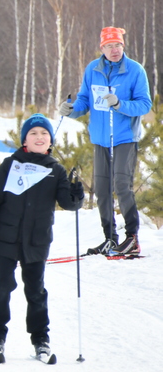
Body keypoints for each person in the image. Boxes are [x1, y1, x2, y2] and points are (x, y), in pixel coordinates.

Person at [0, 114, 85, 361]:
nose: (39, 137)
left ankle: (40, 340)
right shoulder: (10, 164)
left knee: (36, 291)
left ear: (50, 141)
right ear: (24, 139)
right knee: (2, 287)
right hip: (6, 237)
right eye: (33, 133)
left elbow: (68, 203)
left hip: (37, 241)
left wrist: (78, 196)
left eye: (44, 134)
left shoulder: (55, 170)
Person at [58, 26, 152, 256]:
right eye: (109, 46)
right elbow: (84, 100)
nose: (114, 50)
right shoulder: (93, 69)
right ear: (102, 48)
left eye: (118, 45)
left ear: (123, 46)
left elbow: (144, 104)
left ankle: (132, 238)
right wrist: (71, 110)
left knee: (122, 185)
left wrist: (120, 104)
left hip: (124, 138)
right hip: (100, 139)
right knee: (102, 189)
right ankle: (110, 238)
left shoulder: (135, 71)